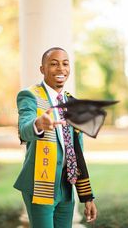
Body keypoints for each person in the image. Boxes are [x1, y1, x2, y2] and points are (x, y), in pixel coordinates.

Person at [14, 47, 97, 228]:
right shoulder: (30, 96)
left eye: (65, 64)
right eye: (53, 64)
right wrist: (38, 124)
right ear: (42, 69)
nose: (61, 69)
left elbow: (77, 152)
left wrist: (87, 195)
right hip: (40, 184)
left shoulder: (72, 103)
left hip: (66, 187)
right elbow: (24, 128)